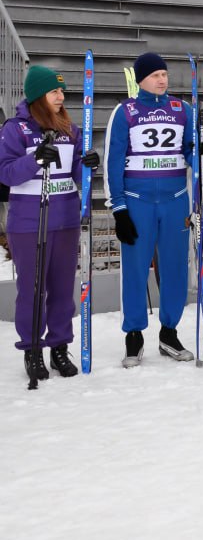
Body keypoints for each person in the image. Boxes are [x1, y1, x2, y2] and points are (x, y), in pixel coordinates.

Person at [0, 66, 97, 381]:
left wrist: (88, 164)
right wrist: (34, 159)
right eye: (54, 91)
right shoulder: (15, 129)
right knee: (32, 288)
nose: (61, 96)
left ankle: (59, 345)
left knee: (61, 288)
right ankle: (32, 348)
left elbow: (76, 171)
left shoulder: (69, 128)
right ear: (38, 95)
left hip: (65, 218)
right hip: (29, 221)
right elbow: (6, 173)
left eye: (62, 91)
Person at [106, 52, 197, 367]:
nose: (162, 79)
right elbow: (114, 161)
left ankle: (169, 332)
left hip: (175, 200)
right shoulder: (126, 111)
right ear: (141, 78)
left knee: (174, 267)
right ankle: (134, 334)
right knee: (134, 267)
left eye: (165, 74)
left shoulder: (182, 109)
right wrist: (118, 208)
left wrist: (199, 149)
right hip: (137, 200)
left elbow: (190, 153)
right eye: (156, 74)